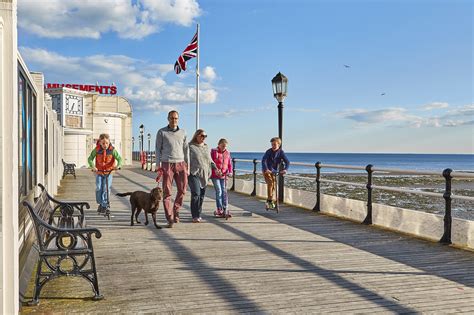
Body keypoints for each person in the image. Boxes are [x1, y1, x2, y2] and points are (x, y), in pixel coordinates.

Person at [155, 110, 189, 228]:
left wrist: (187, 165)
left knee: (183, 189)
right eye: (171, 118)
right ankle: (169, 217)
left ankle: (176, 210)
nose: (174, 120)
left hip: (181, 164)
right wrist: (157, 165)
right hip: (167, 164)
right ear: (168, 119)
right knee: (167, 192)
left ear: (178, 119)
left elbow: (186, 149)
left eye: (176, 118)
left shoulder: (183, 132)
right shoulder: (161, 132)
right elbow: (158, 149)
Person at [88, 133, 123, 213]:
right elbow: (90, 158)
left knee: (106, 189)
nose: (105, 145)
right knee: (99, 188)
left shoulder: (112, 150)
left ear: (109, 142)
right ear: (100, 142)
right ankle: (100, 203)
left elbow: (119, 159)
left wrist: (118, 166)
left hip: (109, 172)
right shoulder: (97, 150)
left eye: (107, 143)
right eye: (103, 143)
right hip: (99, 172)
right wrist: (93, 166)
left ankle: (104, 205)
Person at [188, 129, 217, 223]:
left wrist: (215, 168)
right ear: (196, 136)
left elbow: (210, 160)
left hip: (205, 174)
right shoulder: (190, 146)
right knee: (196, 194)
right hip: (194, 173)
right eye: (201, 136)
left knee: (201, 196)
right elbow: (186, 159)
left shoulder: (206, 147)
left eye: (205, 136)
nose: (203, 138)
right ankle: (194, 216)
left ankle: (199, 214)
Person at [261, 137, 290, 209]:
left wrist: (285, 169)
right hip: (266, 170)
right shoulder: (268, 151)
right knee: (270, 183)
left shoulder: (281, 152)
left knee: (273, 185)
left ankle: (269, 200)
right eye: (272, 144)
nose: (273, 146)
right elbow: (263, 161)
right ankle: (270, 201)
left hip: (274, 171)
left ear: (279, 145)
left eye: (274, 144)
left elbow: (287, 162)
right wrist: (266, 169)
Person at [210, 138, 233, 218]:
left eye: (225, 146)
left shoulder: (227, 153)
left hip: (224, 175)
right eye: (222, 146)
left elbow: (229, 164)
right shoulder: (213, 152)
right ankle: (219, 209)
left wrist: (230, 172)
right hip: (215, 175)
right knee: (219, 191)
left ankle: (225, 208)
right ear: (219, 144)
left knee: (224, 191)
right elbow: (210, 162)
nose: (224, 148)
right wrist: (215, 170)